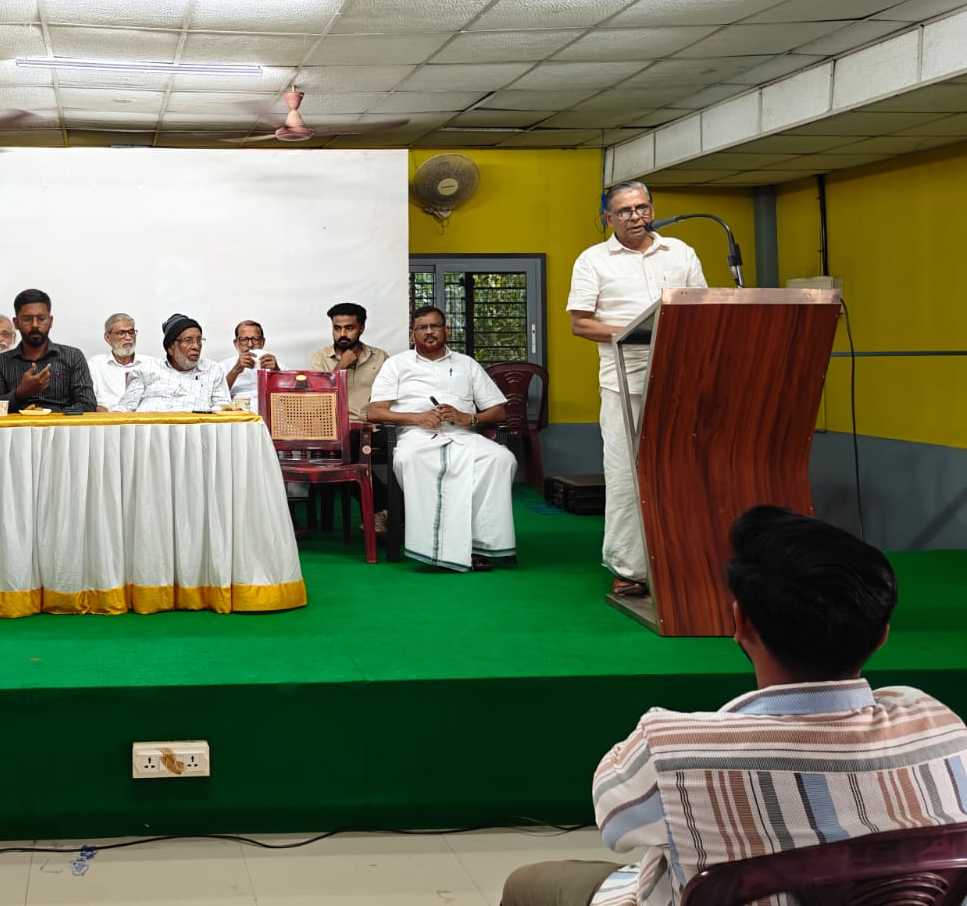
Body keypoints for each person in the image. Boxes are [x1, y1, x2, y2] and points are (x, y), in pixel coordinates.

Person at [502, 505, 967, 906]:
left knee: (529, 883)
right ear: (882, 636)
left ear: (740, 623)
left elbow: (616, 829)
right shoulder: (940, 725)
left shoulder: (670, 750)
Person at [567, 180, 707, 599]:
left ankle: (684, 561)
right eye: (625, 211)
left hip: (680, 379)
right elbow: (580, 323)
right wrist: (635, 331)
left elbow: (701, 307)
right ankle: (629, 569)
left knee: (682, 470)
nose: (636, 217)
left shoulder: (680, 252)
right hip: (623, 383)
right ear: (608, 218)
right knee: (626, 477)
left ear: (653, 210)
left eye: (642, 208)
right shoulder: (593, 260)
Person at [367, 307, 515, 572]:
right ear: (412, 334)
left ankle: (479, 544)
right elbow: (374, 411)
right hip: (417, 437)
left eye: (434, 326)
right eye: (421, 328)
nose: (429, 332)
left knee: (501, 459)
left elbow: (499, 411)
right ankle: (431, 548)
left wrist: (467, 417)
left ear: (446, 330)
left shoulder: (467, 364)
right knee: (410, 460)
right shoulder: (397, 365)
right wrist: (418, 418)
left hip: (463, 435)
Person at [0, 289, 97, 413]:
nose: (35, 325)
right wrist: (20, 393)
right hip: (17, 425)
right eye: (27, 319)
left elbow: (87, 404)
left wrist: (54, 416)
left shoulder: (73, 357)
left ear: (50, 321)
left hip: (61, 423)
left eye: (41, 318)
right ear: (16, 323)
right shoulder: (0, 362)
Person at [116, 314, 232, 412]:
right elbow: (125, 407)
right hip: (149, 428)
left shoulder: (213, 370)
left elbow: (222, 408)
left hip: (193, 429)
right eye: (188, 340)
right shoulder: (145, 370)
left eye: (199, 340)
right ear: (171, 348)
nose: (196, 346)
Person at [309, 302, 390, 423]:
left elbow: (390, 398)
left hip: (372, 427)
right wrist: (341, 366)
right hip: (333, 427)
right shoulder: (320, 358)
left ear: (361, 328)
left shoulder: (380, 357)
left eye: (349, 328)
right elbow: (318, 401)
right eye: (337, 328)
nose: (342, 334)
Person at [88, 312, 155, 411]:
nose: (128, 337)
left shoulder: (151, 364)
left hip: (142, 418)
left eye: (131, 332)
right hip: (108, 418)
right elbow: (87, 401)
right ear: (107, 337)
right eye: (121, 333)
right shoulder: (95, 364)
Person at [219, 319, 280, 402]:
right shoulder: (222, 367)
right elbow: (216, 396)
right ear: (236, 343)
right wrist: (235, 371)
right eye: (244, 339)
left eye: (256, 339)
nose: (250, 345)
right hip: (237, 409)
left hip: (269, 409)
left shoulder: (276, 365)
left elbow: (289, 397)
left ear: (263, 342)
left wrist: (276, 372)